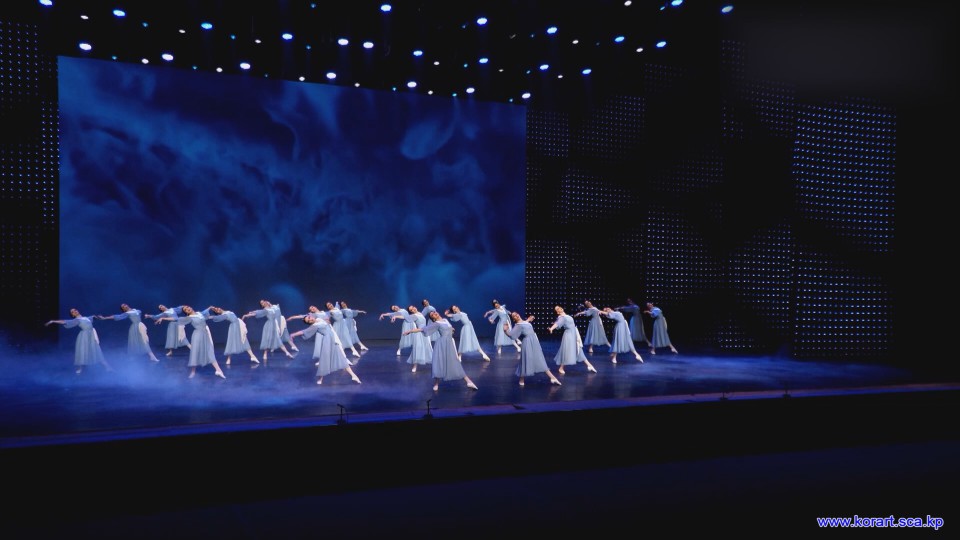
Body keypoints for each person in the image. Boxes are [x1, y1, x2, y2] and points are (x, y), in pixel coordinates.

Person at [405, 310, 478, 392]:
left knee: (455, 362)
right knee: (440, 363)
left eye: (434, 312)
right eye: (432, 315)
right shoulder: (436, 324)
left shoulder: (445, 320)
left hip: (449, 344)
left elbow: (450, 329)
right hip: (442, 345)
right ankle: (436, 383)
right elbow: (423, 329)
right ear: (433, 319)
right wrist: (410, 331)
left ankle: (468, 382)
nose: (434, 314)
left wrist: (452, 330)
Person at [156, 305, 226, 379]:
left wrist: (210, 308)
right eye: (185, 310)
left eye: (187, 307)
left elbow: (204, 312)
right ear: (186, 313)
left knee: (210, 352)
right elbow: (176, 319)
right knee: (195, 353)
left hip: (205, 335)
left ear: (191, 307)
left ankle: (218, 370)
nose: (187, 309)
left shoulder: (199, 314)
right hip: (197, 336)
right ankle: (193, 371)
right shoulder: (189, 318)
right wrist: (163, 318)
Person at [289, 315, 362, 385]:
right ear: (309, 323)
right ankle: (320, 379)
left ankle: (353, 376)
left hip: (333, 340)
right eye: (309, 321)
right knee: (324, 360)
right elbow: (303, 331)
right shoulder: (314, 326)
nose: (310, 319)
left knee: (341, 358)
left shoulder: (319, 319)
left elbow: (328, 323)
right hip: (327, 342)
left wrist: (327, 320)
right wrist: (293, 335)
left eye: (309, 318)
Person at [46, 308, 114, 374]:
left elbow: (95, 317)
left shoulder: (87, 318)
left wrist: (99, 317)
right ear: (73, 315)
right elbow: (64, 321)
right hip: (84, 337)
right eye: (72, 312)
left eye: (75, 310)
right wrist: (53, 321)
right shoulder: (76, 320)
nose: (74, 311)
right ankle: (80, 368)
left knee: (97, 350)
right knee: (82, 351)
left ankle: (107, 367)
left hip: (91, 336)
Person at [504, 312, 561, 387]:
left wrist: (528, 320)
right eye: (514, 316)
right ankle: (521, 379)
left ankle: (552, 378)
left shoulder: (524, 322)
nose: (516, 315)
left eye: (516, 314)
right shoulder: (518, 326)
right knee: (525, 360)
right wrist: (506, 331)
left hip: (534, 341)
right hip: (527, 343)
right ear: (513, 319)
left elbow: (525, 324)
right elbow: (512, 336)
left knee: (540, 359)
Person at [547, 305, 597, 375]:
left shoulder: (567, 316)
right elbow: (557, 324)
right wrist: (551, 328)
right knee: (567, 350)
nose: (559, 309)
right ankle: (561, 368)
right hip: (568, 335)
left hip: (574, 334)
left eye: (559, 307)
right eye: (557, 309)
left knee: (578, 349)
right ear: (557, 312)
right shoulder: (561, 317)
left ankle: (589, 365)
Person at [392, 305, 432, 373]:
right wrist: (395, 316)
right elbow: (405, 317)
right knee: (417, 348)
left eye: (413, 307)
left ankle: (431, 362)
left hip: (425, 332)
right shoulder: (414, 316)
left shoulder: (420, 313)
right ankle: (415, 366)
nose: (413, 309)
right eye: (411, 310)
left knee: (428, 347)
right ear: (411, 312)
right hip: (419, 333)